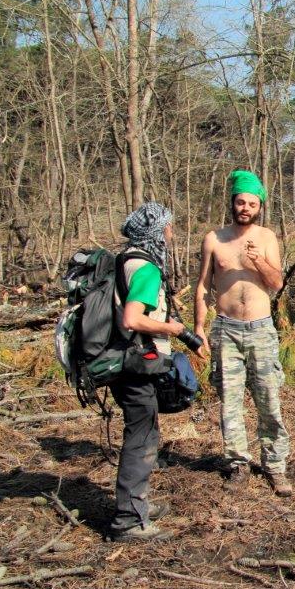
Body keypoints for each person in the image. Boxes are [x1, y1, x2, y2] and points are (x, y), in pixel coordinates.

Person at [194, 169, 292, 496]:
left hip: (262, 329)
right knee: (230, 403)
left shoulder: (266, 238)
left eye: (252, 203)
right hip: (226, 330)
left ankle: (275, 466)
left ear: (259, 207)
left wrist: (257, 262)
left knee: (268, 399)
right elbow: (202, 288)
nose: (245, 208)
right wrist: (198, 329)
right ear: (232, 203)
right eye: (240, 202)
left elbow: (276, 284)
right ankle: (237, 464)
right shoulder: (214, 239)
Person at [111, 202, 185, 541]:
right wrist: (172, 329)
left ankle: (136, 504)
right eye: (167, 226)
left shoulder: (127, 258)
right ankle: (128, 520)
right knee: (141, 439)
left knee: (143, 431)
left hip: (124, 360)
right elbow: (132, 318)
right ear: (157, 231)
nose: (171, 232)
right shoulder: (146, 267)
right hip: (135, 363)